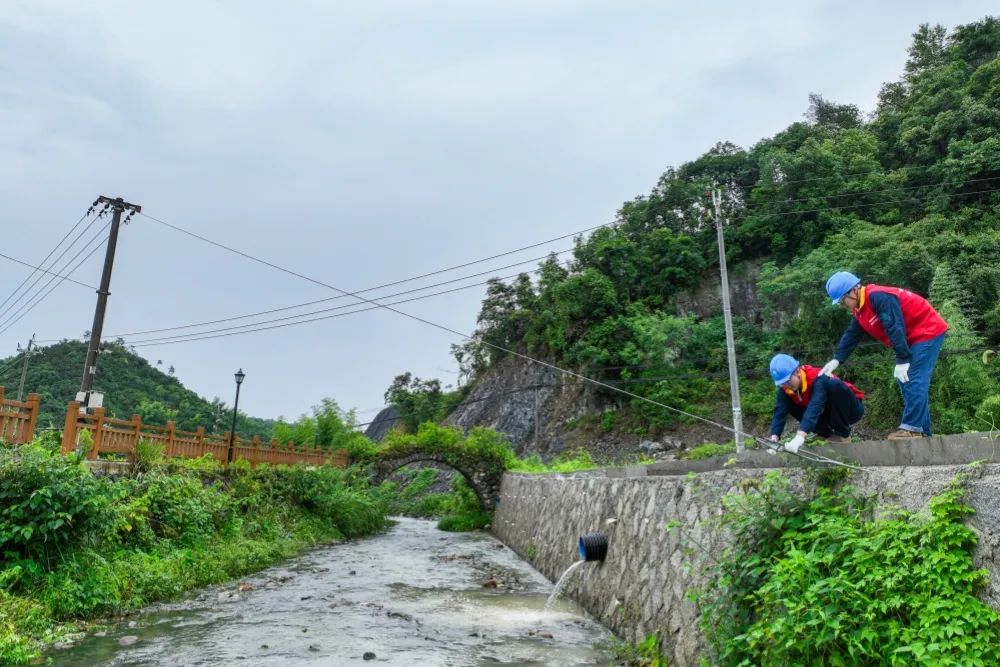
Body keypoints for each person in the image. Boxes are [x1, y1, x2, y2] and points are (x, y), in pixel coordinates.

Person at [820, 272, 948, 439]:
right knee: (904, 380)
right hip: (910, 338)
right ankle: (923, 431)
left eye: (843, 300)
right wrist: (837, 359)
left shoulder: (878, 297)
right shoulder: (859, 309)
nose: (842, 305)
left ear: (853, 291)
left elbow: (894, 326)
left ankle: (912, 429)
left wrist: (903, 359)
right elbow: (852, 334)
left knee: (914, 377)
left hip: (927, 330)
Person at [768, 353, 865, 453]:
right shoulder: (785, 388)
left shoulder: (818, 377)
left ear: (797, 371)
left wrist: (800, 436)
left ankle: (841, 434)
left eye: (787, 381)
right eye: (781, 383)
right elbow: (780, 411)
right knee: (788, 404)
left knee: (833, 384)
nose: (785, 385)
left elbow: (816, 405)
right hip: (829, 413)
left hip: (851, 409)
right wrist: (774, 437)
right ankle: (825, 434)